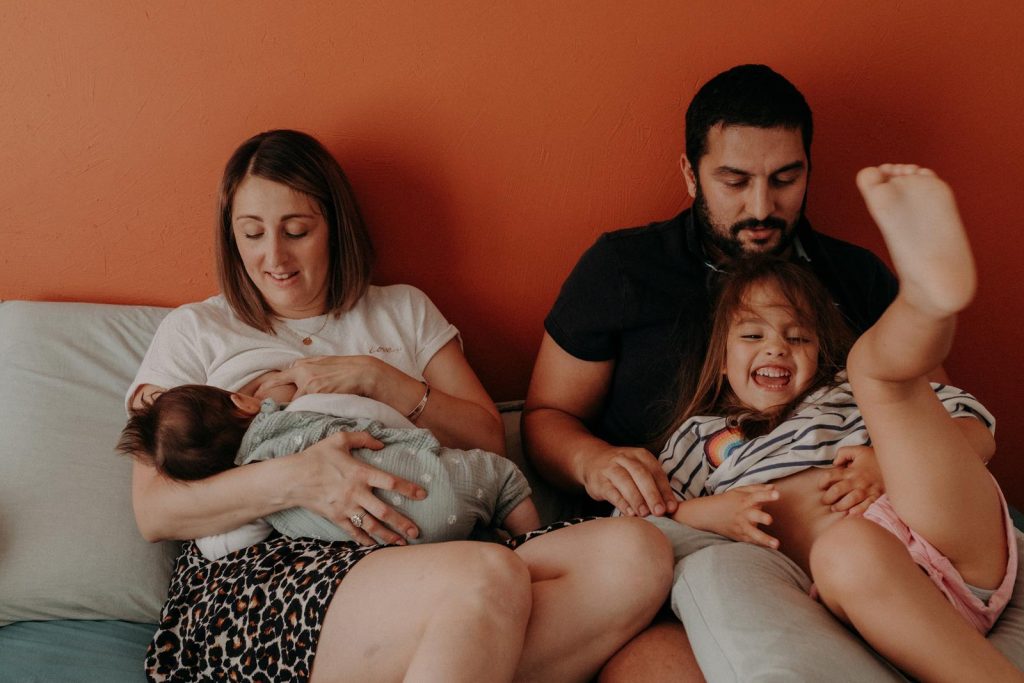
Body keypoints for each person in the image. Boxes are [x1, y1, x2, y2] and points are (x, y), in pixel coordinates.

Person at [524, 64, 1024, 680]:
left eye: (786, 179)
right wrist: (592, 461)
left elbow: (944, 416)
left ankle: (925, 305)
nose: (762, 207)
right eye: (734, 181)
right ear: (689, 172)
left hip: (914, 512)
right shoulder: (624, 270)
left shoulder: (853, 276)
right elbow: (548, 417)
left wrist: (886, 460)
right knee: (652, 667)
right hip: (766, 557)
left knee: (888, 384)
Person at [126, 128, 672, 682]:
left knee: (638, 555)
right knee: (485, 575)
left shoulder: (403, 310)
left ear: (335, 227)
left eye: (297, 230)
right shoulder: (196, 330)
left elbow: (487, 439)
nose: (274, 256)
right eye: (251, 234)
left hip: (430, 537)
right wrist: (300, 480)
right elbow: (155, 511)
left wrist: (382, 380)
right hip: (269, 578)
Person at [657, 164, 1019, 681]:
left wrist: (888, 465)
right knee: (843, 551)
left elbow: (976, 431)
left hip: (950, 537)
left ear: (818, 352)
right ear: (719, 360)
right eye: (753, 335)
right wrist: (709, 514)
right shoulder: (698, 438)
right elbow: (659, 517)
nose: (778, 346)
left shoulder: (840, 396)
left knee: (879, 377)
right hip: (871, 591)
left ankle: (927, 302)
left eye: (798, 337)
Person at [118, 383, 539, 559]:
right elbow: (362, 414)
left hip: (397, 547)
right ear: (242, 401)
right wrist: (412, 442)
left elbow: (219, 547)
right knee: (501, 479)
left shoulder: (255, 508)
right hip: (443, 479)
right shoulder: (301, 410)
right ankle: (531, 547)